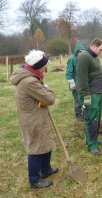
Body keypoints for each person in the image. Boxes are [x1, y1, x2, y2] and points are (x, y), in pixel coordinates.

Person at [10, 50, 58, 188]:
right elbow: (50, 99)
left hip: (37, 115)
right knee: (36, 146)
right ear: (38, 66)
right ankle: (35, 179)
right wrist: (48, 89)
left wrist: (43, 88)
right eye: (45, 66)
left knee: (45, 141)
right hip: (33, 119)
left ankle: (45, 169)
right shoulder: (29, 81)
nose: (46, 68)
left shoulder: (31, 75)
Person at [76, 38, 102, 155]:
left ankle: (93, 139)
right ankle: (92, 145)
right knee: (91, 118)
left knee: (96, 117)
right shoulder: (83, 57)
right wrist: (86, 96)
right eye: (100, 50)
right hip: (90, 94)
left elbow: (97, 73)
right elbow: (82, 79)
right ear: (94, 46)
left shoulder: (94, 58)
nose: (101, 53)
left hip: (97, 92)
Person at [66, 41, 85, 121]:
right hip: (75, 85)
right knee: (77, 100)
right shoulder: (72, 59)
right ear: (77, 51)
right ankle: (78, 115)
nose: (81, 53)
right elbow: (69, 73)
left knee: (83, 100)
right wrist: (72, 83)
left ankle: (84, 113)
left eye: (83, 51)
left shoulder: (84, 58)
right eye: (80, 51)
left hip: (83, 84)